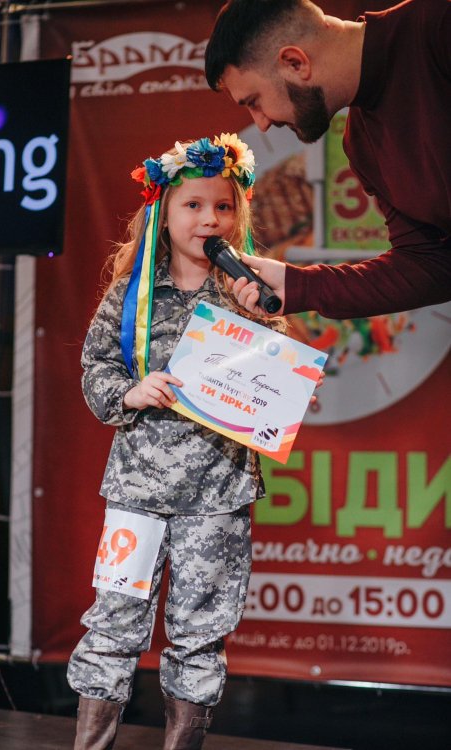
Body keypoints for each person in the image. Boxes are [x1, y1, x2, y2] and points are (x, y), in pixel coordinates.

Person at [67, 133, 284, 750]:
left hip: (217, 496)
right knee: (113, 627)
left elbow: (274, 380)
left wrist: (289, 388)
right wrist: (128, 392)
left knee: (199, 636)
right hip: (137, 492)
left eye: (222, 206)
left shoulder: (249, 293)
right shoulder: (131, 294)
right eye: (193, 205)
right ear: (163, 212)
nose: (209, 218)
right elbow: (95, 367)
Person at [204, 0, 451, 319]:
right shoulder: (361, 144)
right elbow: (430, 262)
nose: (261, 123)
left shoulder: (438, 26)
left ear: (295, 63)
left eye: (255, 101)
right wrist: (302, 286)